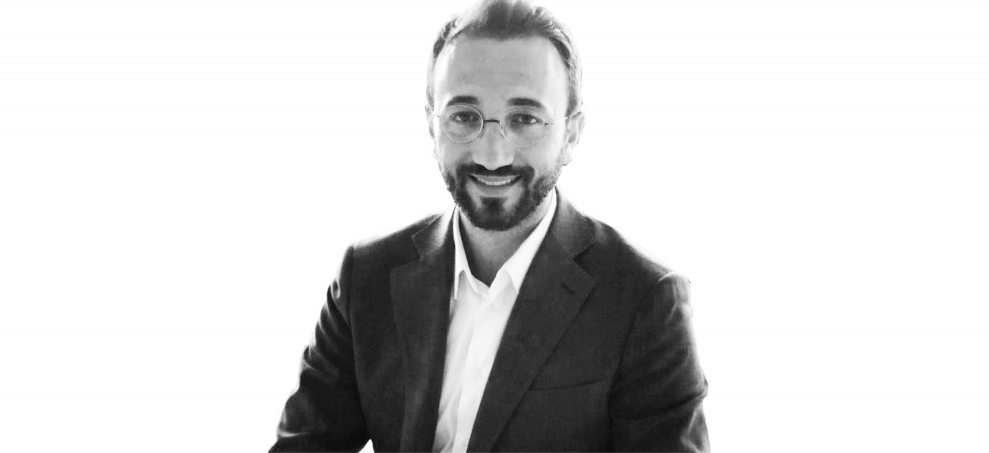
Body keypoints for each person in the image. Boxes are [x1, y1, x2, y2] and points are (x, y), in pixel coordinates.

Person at [270, 1, 707, 451]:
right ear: (431, 126)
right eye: (464, 116)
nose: (492, 155)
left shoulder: (644, 299)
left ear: (572, 133)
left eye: (525, 119)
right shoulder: (366, 277)